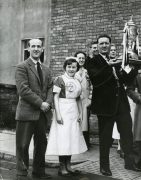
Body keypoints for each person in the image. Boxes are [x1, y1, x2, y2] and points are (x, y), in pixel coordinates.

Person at [85, 34, 141, 176]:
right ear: (97, 46)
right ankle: (104, 166)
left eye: (106, 43)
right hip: (105, 105)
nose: (104, 46)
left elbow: (125, 79)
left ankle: (130, 163)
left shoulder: (116, 60)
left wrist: (133, 66)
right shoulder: (92, 61)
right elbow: (96, 79)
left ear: (110, 45)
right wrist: (109, 66)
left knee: (127, 134)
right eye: (101, 43)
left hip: (121, 103)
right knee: (105, 138)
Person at [15, 38, 53, 179]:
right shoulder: (22, 67)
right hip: (27, 112)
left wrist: (48, 103)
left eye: (39, 46)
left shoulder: (46, 69)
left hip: (42, 114)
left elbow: (50, 87)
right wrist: (40, 103)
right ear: (28, 49)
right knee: (23, 145)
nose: (36, 48)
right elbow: (23, 90)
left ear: (42, 49)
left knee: (41, 144)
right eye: (33, 46)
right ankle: (22, 173)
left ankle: (38, 172)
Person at [46, 58, 87, 176]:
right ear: (65, 67)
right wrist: (58, 114)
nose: (71, 69)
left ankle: (69, 165)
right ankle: (62, 167)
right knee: (63, 138)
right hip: (62, 109)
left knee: (71, 138)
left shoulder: (77, 80)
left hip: (73, 110)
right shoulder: (59, 79)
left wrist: (80, 114)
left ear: (77, 69)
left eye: (74, 67)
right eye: (69, 67)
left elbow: (78, 98)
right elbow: (55, 97)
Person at [74, 51, 92, 148]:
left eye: (83, 58)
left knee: (85, 122)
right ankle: (76, 143)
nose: (81, 60)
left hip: (85, 101)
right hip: (75, 101)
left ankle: (86, 143)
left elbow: (93, 85)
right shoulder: (73, 71)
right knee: (76, 120)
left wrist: (90, 98)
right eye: (79, 58)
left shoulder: (87, 71)